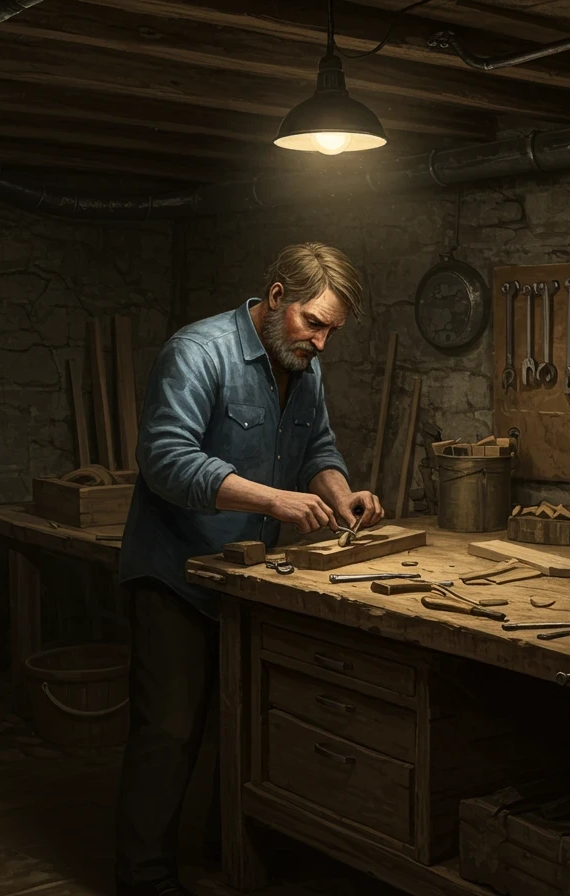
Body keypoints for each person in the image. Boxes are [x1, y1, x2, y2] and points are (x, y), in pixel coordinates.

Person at [114, 242, 384, 896]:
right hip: (176, 572)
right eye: (312, 323)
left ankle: (223, 851)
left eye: (331, 331)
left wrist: (337, 491)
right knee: (171, 732)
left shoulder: (301, 364)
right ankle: (143, 880)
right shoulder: (196, 352)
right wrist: (274, 498)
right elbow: (167, 461)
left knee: (240, 724)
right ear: (275, 297)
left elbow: (316, 445)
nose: (321, 342)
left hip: (248, 576)